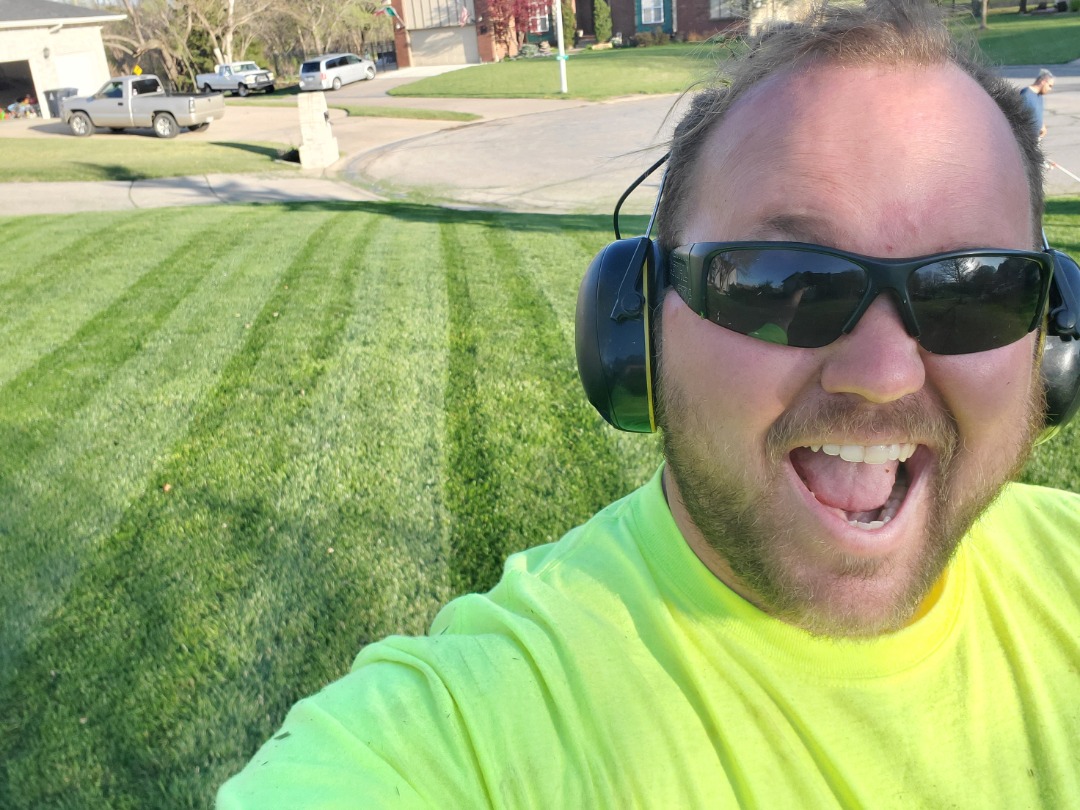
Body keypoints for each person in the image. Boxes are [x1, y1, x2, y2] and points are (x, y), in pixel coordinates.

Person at [218, 1, 1080, 806]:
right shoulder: (471, 726)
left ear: (1051, 341)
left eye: (978, 289)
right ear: (638, 330)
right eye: (785, 284)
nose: (884, 373)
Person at [1019, 67, 1054, 139]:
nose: (1050, 89)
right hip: (1027, 139)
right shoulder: (1026, 95)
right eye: (1050, 86)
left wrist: (1042, 125)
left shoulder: (1039, 95)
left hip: (1036, 138)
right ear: (1043, 82)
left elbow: (1036, 114)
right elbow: (1020, 118)